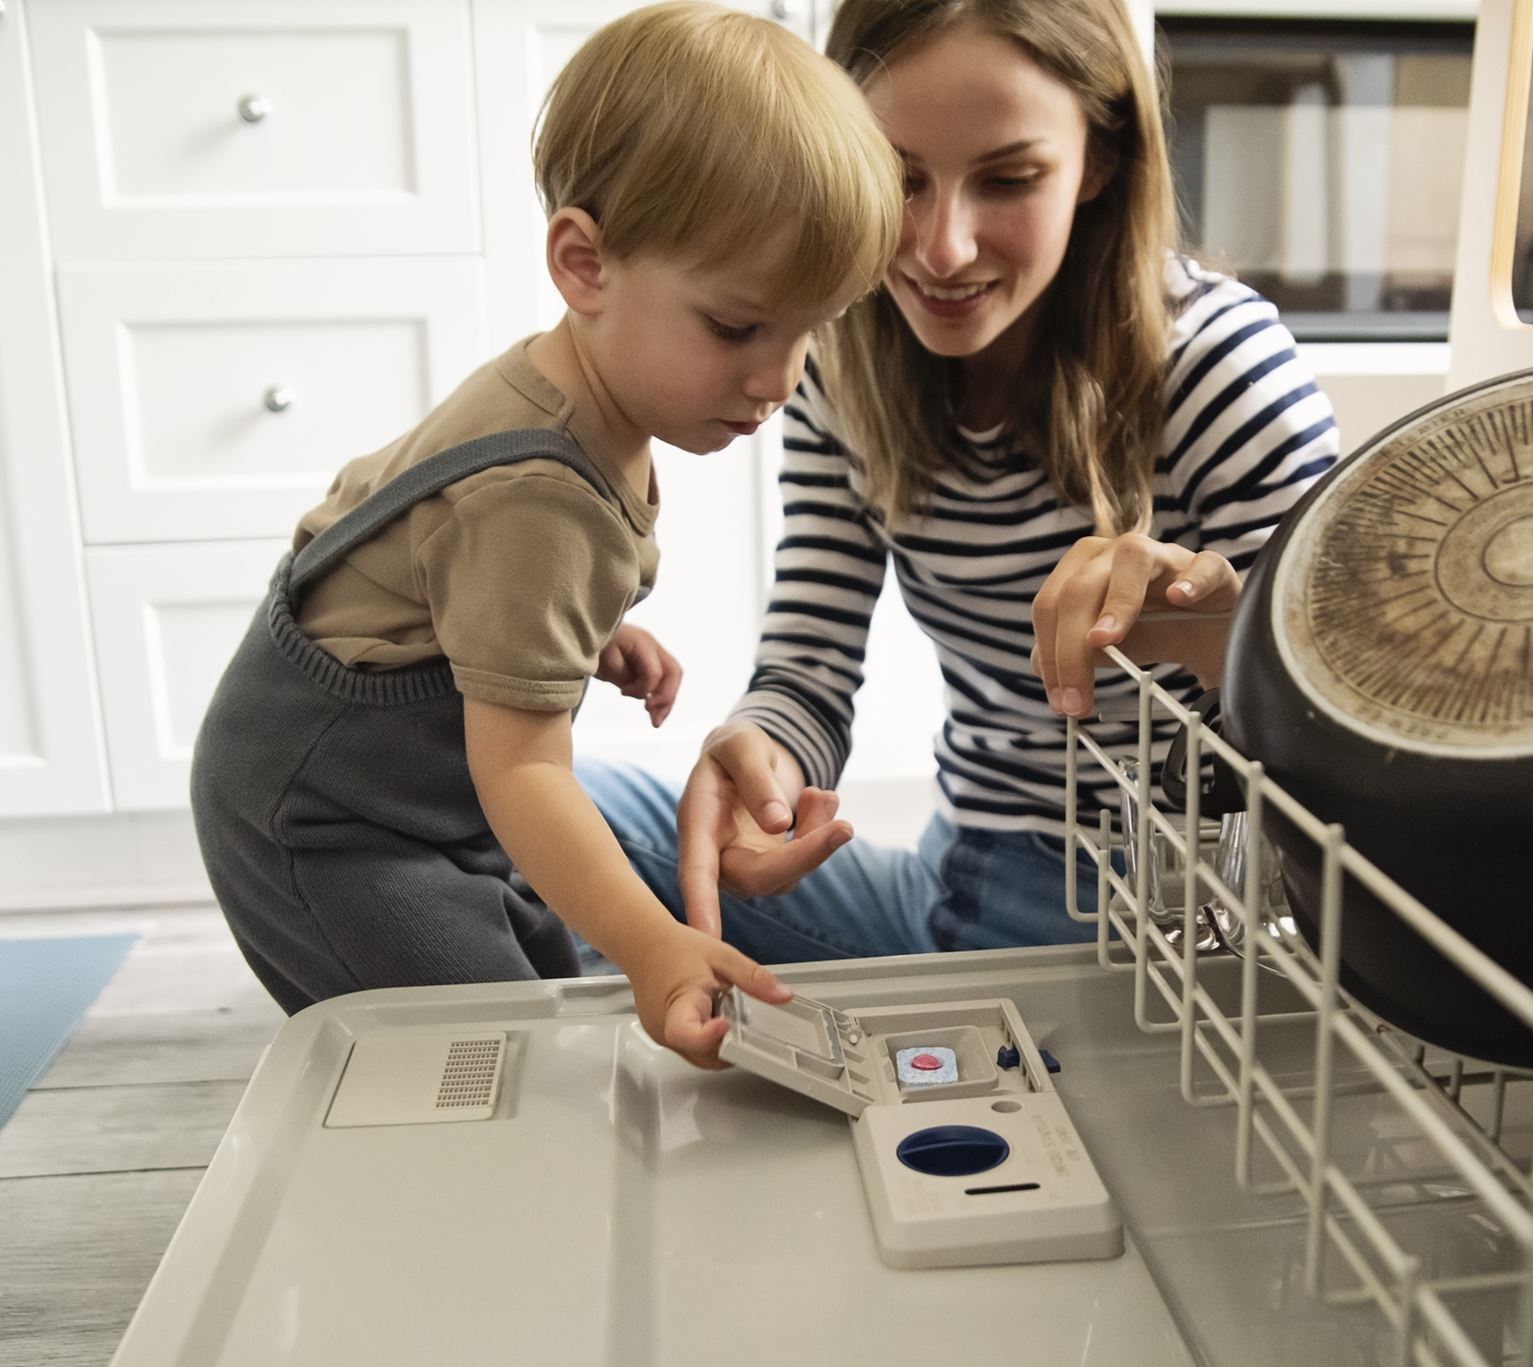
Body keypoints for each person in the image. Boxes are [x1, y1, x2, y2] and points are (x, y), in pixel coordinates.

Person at [186, 2, 904, 1066]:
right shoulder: (540, 489)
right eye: (737, 326)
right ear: (583, 263)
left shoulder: (566, 389)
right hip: (331, 822)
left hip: (397, 781)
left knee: (547, 970)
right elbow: (522, 770)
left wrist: (567, 631)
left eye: (812, 329)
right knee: (491, 1051)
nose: (779, 380)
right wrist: (654, 945)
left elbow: (418, 560)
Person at [581, 0, 1340, 962]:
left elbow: (1344, 704)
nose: (944, 250)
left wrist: (1222, 629)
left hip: (1146, 920)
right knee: (532, 809)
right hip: (952, 871)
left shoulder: (1217, 359)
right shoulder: (833, 358)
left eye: (1010, 179)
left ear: (1099, 161)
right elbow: (808, 668)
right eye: (901, 179)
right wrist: (759, 768)